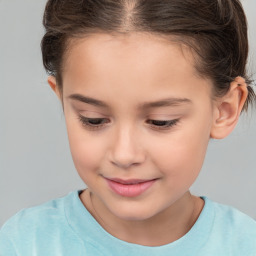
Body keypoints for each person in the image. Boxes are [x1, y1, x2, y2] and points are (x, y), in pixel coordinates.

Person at [1, 0, 256, 255]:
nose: (124, 155)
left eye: (161, 121)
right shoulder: (23, 244)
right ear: (62, 99)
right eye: (93, 119)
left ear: (224, 110)